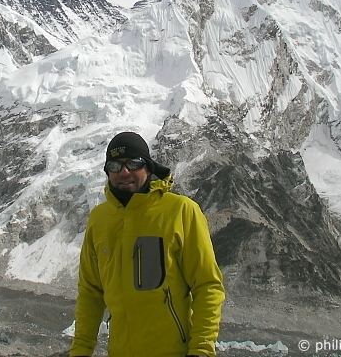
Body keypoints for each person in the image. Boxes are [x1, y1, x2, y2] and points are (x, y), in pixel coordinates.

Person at [70, 132, 225, 357]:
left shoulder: (181, 211)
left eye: (134, 163)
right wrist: (81, 350)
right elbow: (91, 292)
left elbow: (207, 286)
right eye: (115, 166)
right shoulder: (99, 219)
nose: (124, 172)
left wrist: (201, 349)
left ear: (149, 168)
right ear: (107, 172)